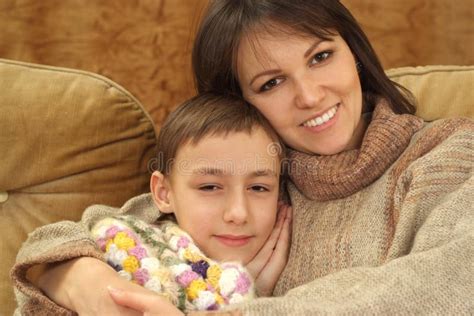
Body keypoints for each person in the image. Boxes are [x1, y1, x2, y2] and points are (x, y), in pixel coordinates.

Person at [11, 0, 474, 315]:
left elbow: (453, 281)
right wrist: (80, 280)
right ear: (240, 104)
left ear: (354, 52)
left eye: (321, 56)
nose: (311, 96)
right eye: (271, 83)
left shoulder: (446, 154)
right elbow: (70, 240)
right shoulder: (255, 174)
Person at [88, 93, 291, 312]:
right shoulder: (122, 251)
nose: (238, 213)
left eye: (258, 188)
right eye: (210, 187)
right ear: (164, 193)